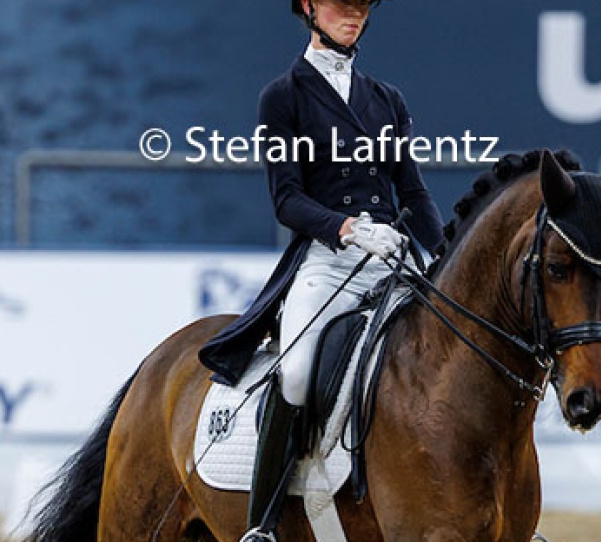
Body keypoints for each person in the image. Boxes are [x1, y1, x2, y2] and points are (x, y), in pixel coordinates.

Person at [198, 0, 444, 539]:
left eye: (361, 6)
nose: (353, 14)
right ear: (309, 8)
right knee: (298, 370)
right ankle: (262, 524)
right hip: (328, 262)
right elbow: (287, 200)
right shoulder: (284, 96)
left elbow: (413, 191)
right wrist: (351, 229)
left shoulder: (386, 100)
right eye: (340, 4)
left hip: (393, 261)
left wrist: (442, 257)